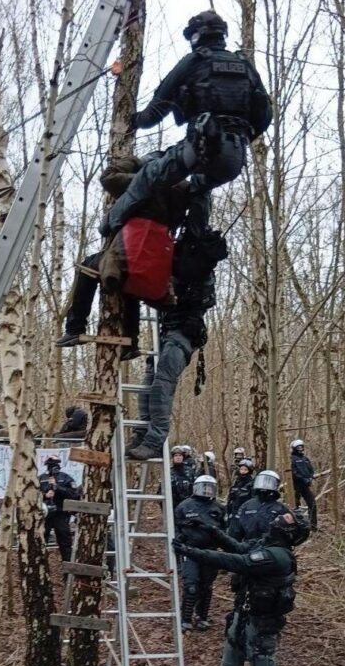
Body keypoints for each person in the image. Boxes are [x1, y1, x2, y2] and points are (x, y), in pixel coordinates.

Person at [104, 10, 272, 234]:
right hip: (234, 158)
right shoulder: (245, 66)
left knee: (148, 176)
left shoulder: (194, 62)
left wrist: (135, 120)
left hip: (199, 150)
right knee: (198, 188)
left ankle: (109, 225)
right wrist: (240, 136)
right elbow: (265, 115)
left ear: (197, 36)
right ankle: (195, 243)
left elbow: (155, 111)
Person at [174, 510, 309, 666]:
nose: (279, 518)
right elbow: (237, 548)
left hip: (261, 626)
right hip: (242, 618)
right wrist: (211, 530)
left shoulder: (278, 556)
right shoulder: (265, 545)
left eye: (286, 519)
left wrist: (192, 553)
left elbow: (237, 561)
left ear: (289, 532)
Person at [55, 155, 195, 360]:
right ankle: (131, 342)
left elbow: (108, 178)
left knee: (89, 267)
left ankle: (74, 329)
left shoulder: (146, 180)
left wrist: (135, 163)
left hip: (130, 250)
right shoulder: (182, 191)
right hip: (157, 262)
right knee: (130, 285)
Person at [125, 208, 226, 461]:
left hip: (182, 334)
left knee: (162, 382)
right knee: (148, 381)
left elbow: (203, 299)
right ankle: (141, 432)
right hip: (166, 330)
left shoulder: (200, 274)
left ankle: (154, 439)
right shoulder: (175, 262)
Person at [173, 474, 226, 632]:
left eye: (209, 488)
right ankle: (185, 618)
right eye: (203, 487)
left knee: (206, 586)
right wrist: (179, 541)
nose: (206, 491)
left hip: (210, 552)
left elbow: (225, 530)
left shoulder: (219, 508)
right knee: (191, 585)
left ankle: (201, 616)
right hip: (189, 550)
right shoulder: (185, 506)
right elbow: (175, 527)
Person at [39, 455, 81, 561]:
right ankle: (41, 570)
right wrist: (45, 495)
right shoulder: (41, 479)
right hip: (45, 515)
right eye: (51, 465)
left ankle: (67, 571)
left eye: (55, 465)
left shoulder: (66, 478)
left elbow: (74, 495)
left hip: (61, 514)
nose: (53, 467)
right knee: (41, 542)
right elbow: (32, 496)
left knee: (65, 544)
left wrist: (58, 488)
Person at [229, 469, 289, 541]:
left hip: (271, 546)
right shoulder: (247, 505)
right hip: (249, 545)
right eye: (262, 481)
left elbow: (288, 531)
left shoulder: (280, 508)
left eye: (268, 482)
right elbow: (236, 529)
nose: (265, 485)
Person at [290, 438, 318, 531]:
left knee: (312, 503)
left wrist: (310, 477)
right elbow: (294, 473)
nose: (300, 449)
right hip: (295, 486)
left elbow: (311, 470)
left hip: (305, 486)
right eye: (298, 447)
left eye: (302, 447)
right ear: (294, 448)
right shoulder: (292, 459)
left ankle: (313, 526)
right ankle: (295, 526)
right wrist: (303, 479)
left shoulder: (305, 459)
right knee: (295, 506)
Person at [170, 446, 195, 512]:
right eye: (176, 455)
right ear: (173, 457)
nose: (178, 457)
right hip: (173, 507)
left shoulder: (190, 472)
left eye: (180, 455)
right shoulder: (168, 472)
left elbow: (195, 489)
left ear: (183, 457)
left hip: (188, 506)